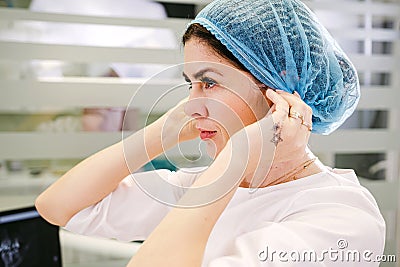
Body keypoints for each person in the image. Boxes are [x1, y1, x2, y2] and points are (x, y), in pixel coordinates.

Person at [35, 0, 386, 266]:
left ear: (279, 89)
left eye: (209, 82)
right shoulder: (205, 184)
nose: (191, 103)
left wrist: (237, 158)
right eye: (190, 84)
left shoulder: (342, 218)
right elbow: (58, 207)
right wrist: (162, 132)